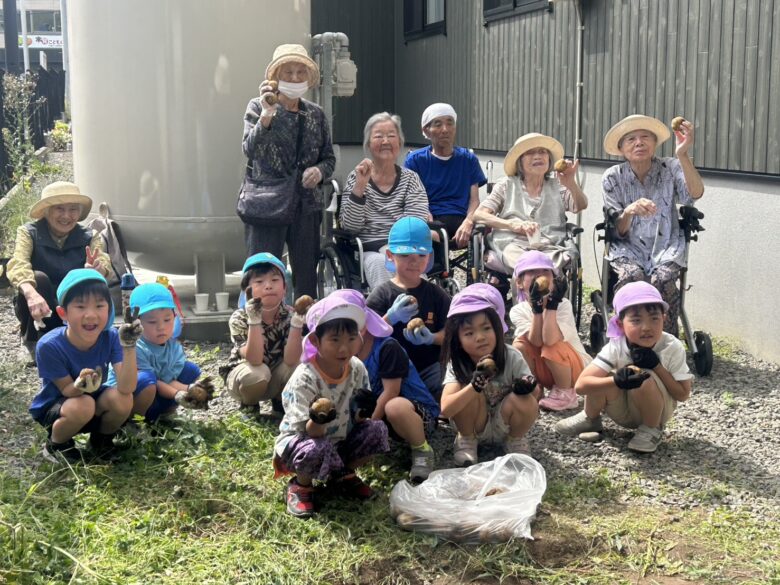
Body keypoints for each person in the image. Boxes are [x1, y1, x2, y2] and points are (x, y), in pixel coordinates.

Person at [273, 296, 389, 518]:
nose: (344, 348)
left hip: (341, 439)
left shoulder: (356, 368)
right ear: (316, 341)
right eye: (334, 340)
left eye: (351, 338)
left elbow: (359, 419)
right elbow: (308, 432)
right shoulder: (305, 377)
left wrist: (363, 412)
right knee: (317, 447)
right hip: (304, 441)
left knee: (377, 430)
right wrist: (319, 417)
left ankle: (343, 474)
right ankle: (301, 485)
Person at [242, 44, 336, 297]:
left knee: (306, 275)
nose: (294, 78)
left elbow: (329, 158)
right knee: (262, 274)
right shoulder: (257, 107)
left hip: (306, 206)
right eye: (288, 73)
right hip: (267, 203)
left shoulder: (315, 114)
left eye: (300, 73)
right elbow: (250, 150)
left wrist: (319, 171)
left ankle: (303, 328)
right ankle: (257, 329)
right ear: (275, 78)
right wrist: (267, 115)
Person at [555, 282, 693, 453]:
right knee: (602, 376)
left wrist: (657, 366)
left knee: (645, 376)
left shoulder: (671, 347)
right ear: (620, 324)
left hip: (657, 411)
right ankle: (590, 418)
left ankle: (651, 430)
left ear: (664, 319)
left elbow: (683, 394)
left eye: (654, 318)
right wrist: (616, 380)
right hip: (622, 411)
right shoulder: (617, 346)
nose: (646, 327)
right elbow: (581, 386)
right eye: (636, 320)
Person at [601, 114, 704, 335]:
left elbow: (694, 194)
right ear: (621, 148)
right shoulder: (612, 177)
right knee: (632, 277)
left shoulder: (671, 167)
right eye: (631, 139)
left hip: (666, 244)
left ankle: (666, 341)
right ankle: (625, 338)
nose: (639, 142)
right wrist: (629, 210)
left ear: (655, 143)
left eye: (645, 137)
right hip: (628, 247)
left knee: (663, 279)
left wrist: (683, 154)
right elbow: (617, 231)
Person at [326, 289, 440, 484]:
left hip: (415, 413)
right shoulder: (343, 353)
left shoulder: (387, 347)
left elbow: (391, 392)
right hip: (378, 416)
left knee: (394, 406)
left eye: (353, 325)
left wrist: (365, 430)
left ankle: (421, 449)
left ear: (365, 322)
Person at [29, 269, 142, 462]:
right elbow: (65, 389)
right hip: (59, 406)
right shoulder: (49, 346)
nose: (91, 315)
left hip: (91, 402)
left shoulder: (112, 337)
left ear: (109, 309)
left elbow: (127, 387)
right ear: (62, 313)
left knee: (123, 399)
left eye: (99, 306)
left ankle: (101, 442)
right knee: (84, 404)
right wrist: (80, 384)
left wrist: (129, 346)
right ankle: (57, 445)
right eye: (80, 307)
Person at [6, 181, 113, 359]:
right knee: (37, 278)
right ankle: (33, 343)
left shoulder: (89, 235)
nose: (66, 216)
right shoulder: (28, 232)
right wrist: (31, 294)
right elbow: (18, 263)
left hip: (73, 304)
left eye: (73, 209)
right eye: (59, 209)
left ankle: (86, 341)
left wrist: (96, 270)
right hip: (40, 305)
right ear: (46, 211)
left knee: (91, 281)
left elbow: (102, 260)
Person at [440, 283, 538, 465]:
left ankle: (515, 440)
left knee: (524, 400)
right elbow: (446, 408)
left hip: (504, 424)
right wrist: (474, 386)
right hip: (473, 425)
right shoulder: (458, 364)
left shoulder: (512, 356)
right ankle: (466, 440)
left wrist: (527, 386)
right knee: (465, 393)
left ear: (497, 328)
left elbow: (535, 397)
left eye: (486, 328)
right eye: (469, 333)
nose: (480, 337)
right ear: (458, 340)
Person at [472, 133, 588, 273]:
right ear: (519, 161)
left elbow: (581, 206)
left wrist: (571, 183)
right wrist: (512, 225)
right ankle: (538, 287)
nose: (538, 156)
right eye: (530, 152)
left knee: (546, 263)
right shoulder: (507, 185)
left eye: (542, 151)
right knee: (528, 265)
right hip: (512, 244)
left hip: (550, 246)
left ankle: (537, 288)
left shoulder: (558, 185)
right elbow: (479, 215)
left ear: (549, 159)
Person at [340, 112, 430, 289]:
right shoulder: (356, 176)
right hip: (367, 248)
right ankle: (389, 311)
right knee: (380, 263)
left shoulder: (411, 179)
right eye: (379, 136)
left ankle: (420, 307)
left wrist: (394, 247)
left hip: (403, 246)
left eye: (391, 135)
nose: (386, 141)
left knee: (403, 261)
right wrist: (359, 187)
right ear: (368, 144)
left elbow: (415, 223)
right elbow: (350, 226)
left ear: (400, 142)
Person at [366, 217, 451, 399]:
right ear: (390, 255)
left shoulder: (436, 294)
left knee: (448, 382)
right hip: (392, 372)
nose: (414, 262)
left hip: (429, 366)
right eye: (405, 255)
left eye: (421, 255)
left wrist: (431, 338)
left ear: (430, 255)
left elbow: (450, 332)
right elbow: (366, 336)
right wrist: (390, 317)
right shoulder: (382, 294)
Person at [105, 283, 215, 423]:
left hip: (155, 393)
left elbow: (168, 379)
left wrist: (191, 389)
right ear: (137, 323)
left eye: (167, 319)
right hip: (127, 400)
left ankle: (163, 416)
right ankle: (134, 422)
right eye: (152, 322)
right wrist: (177, 394)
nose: (161, 327)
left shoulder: (173, 346)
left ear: (175, 318)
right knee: (147, 380)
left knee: (189, 370)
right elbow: (154, 383)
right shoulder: (135, 346)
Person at [219, 253, 310, 416]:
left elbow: (291, 360)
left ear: (284, 288)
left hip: (276, 375)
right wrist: (254, 320)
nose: (268, 286)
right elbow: (254, 359)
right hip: (246, 376)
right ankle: (249, 405)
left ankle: (280, 400)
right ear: (247, 290)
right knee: (258, 372)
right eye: (259, 282)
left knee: (298, 366)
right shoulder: (239, 318)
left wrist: (297, 324)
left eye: (275, 280)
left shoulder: (291, 316)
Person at [510, 251, 590, 411]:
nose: (540, 275)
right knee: (519, 345)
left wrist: (552, 305)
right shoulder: (518, 310)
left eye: (545, 271)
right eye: (532, 272)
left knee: (550, 345)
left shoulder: (563, 305)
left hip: (573, 369)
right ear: (519, 282)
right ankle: (535, 387)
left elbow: (550, 340)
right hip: (546, 368)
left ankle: (566, 393)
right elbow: (536, 342)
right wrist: (537, 310)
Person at [404, 103, 487, 248]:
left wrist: (468, 222)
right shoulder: (415, 161)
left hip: (462, 218)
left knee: (485, 235)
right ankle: (436, 271)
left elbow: (475, 200)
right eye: (438, 124)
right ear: (426, 130)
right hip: (431, 218)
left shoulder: (468, 159)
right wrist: (425, 216)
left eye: (450, 123)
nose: (445, 130)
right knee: (424, 234)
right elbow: (411, 198)